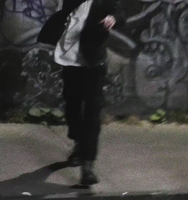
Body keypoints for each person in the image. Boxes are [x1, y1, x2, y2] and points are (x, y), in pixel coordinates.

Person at [37, 0, 125, 186]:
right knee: (72, 105)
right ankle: (77, 142)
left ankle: (88, 166)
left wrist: (112, 19)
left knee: (92, 111)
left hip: (93, 62)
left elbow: (119, 13)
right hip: (69, 60)